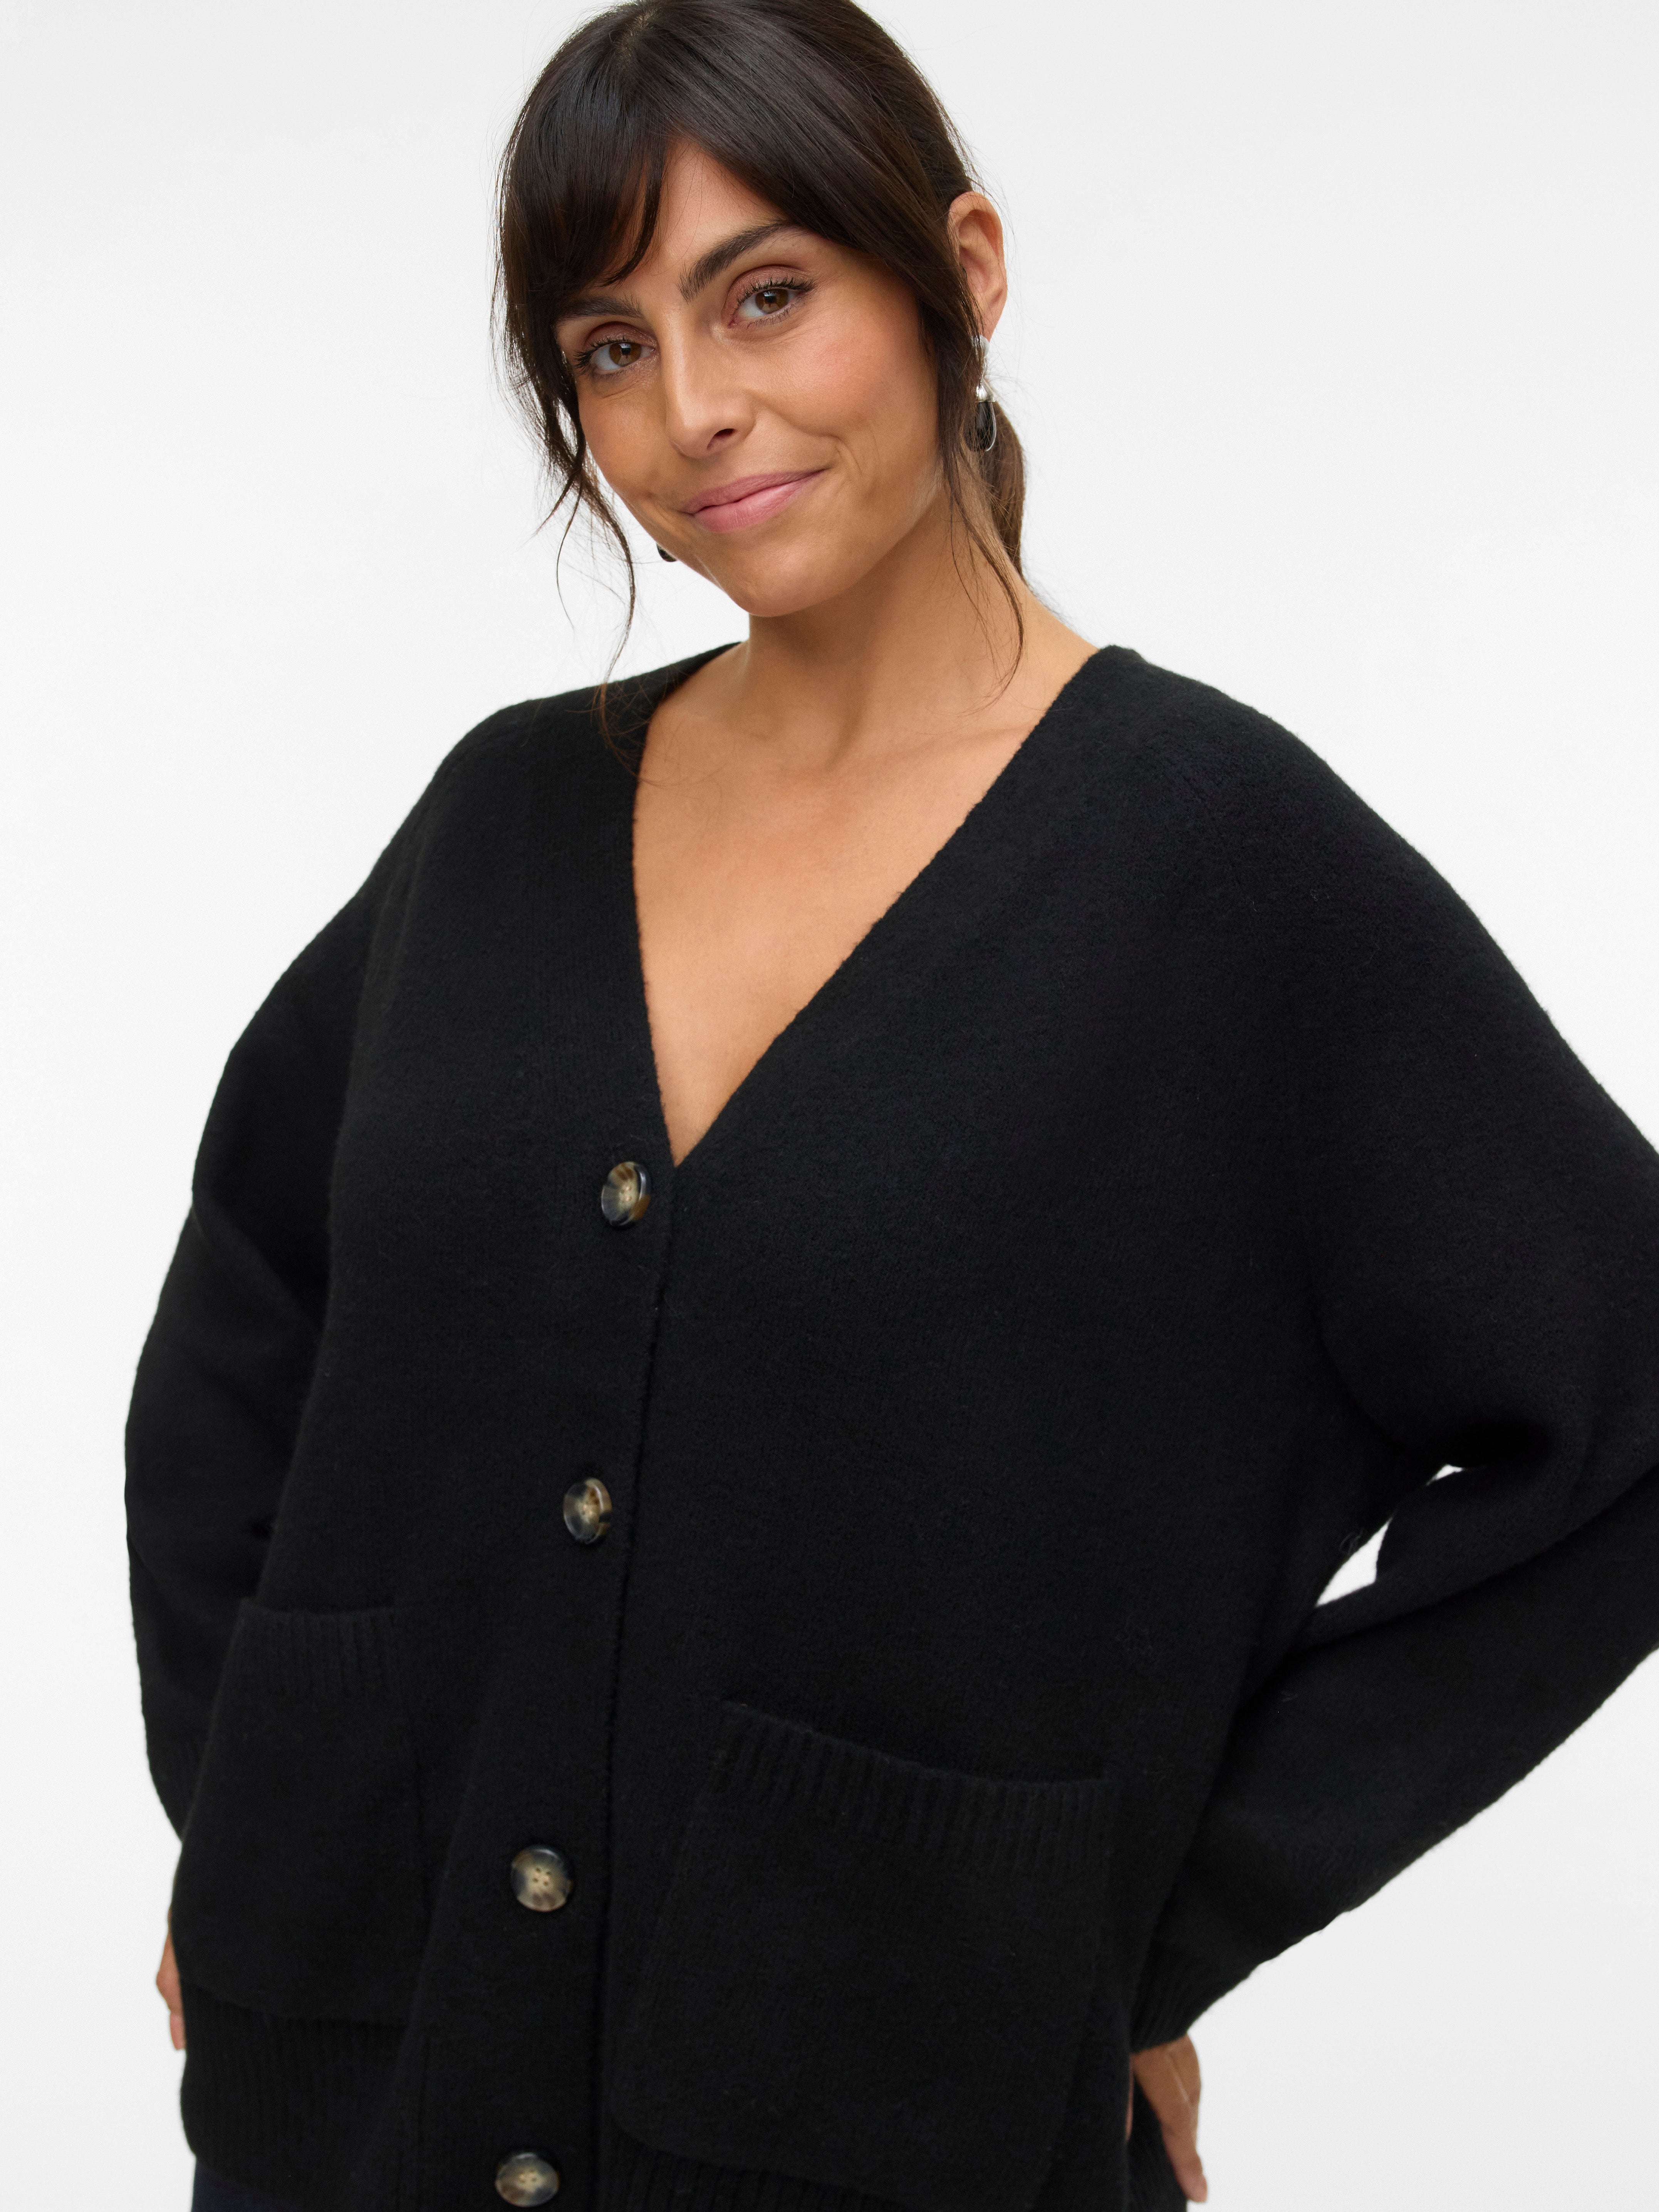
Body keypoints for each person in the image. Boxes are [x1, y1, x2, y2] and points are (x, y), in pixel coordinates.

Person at [129, 2, 1659, 2209]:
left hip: (887, 2130)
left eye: (764, 295)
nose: (692, 408)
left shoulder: (1211, 866)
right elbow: (243, 1334)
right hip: (373, 2113)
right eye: (611, 346)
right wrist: (260, 1820)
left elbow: (1617, 1413)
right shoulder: (505, 823)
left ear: (960, 267)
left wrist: (1134, 1929)